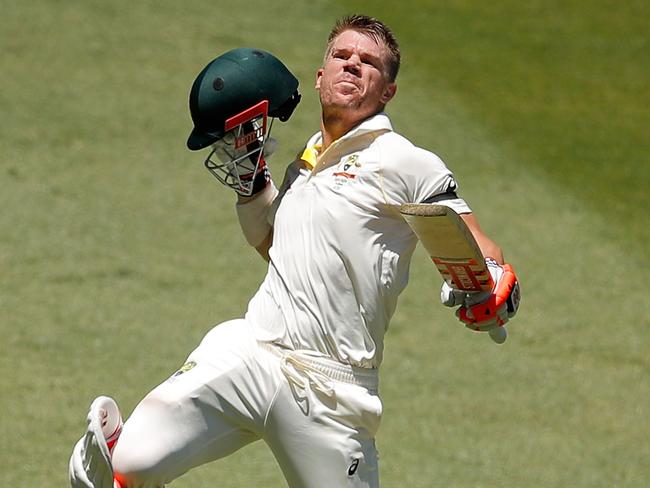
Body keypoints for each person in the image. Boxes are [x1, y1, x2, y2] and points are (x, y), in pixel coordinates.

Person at [69, 14, 520, 488]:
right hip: (252, 351)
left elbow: (476, 244)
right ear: (320, 76)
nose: (352, 66)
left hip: (332, 391)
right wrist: (253, 182)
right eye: (341, 56)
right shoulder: (303, 165)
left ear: (387, 90)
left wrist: (492, 285)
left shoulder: (404, 161)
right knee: (124, 466)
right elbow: (277, 249)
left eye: (368, 63)